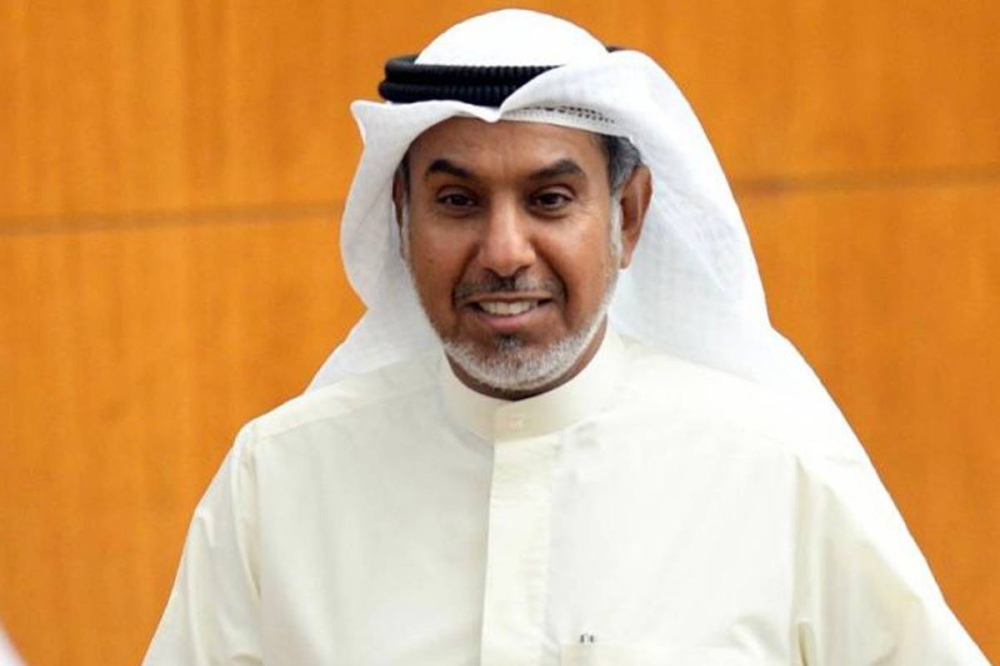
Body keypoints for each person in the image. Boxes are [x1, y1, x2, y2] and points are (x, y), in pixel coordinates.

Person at [144, 9, 989, 665]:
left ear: (628, 216)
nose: (504, 251)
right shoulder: (278, 483)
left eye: (549, 200)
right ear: (401, 218)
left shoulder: (778, 471)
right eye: (457, 202)